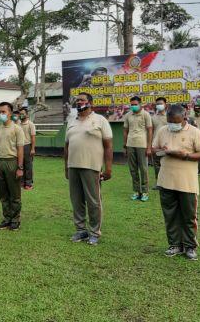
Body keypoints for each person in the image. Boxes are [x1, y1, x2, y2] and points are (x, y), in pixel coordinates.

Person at [152, 104, 200, 261]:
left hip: (187, 183)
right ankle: (174, 245)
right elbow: (153, 150)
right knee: (170, 215)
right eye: (170, 121)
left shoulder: (195, 132)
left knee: (189, 216)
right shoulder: (163, 130)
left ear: (184, 117)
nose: (172, 124)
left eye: (175, 121)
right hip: (166, 181)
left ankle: (190, 246)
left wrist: (186, 156)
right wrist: (163, 151)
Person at [64, 92, 113, 245]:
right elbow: (67, 146)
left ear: (90, 103)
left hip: (92, 167)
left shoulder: (100, 120)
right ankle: (81, 231)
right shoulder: (71, 120)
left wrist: (108, 168)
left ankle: (94, 232)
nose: (79, 102)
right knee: (76, 200)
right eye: (77, 100)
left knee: (93, 201)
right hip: (73, 166)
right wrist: (66, 167)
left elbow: (108, 146)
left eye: (82, 100)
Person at [0, 102, 25, 231]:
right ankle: (7, 219)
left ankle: (15, 220)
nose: (1, 114)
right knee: (3, 193)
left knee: (14, 193)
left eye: (3, 112)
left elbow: (20, 149)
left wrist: (20, 168)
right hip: (0, 162)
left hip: (12, 162)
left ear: (10, 113)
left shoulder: (17, 129)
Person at [123, 96, 152, 201]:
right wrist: (125, 146)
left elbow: (150, 130)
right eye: (132, 105)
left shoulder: (146, 114)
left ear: (140, 104)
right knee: (133, 169)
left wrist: (149, 147)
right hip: (130, 144)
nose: (133, 106)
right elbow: (125, 131)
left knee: (143, 169)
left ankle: (144, 192)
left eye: (135, 104)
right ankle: (136, 191)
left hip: (142, 145)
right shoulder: (128, 115)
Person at [151, 97, 168, 185]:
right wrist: (150, 145)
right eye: (157, 104)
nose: (159, 105)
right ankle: (158, 183)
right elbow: (151, 131)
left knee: (167, 164)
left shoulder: (170, 117)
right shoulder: (153, 118)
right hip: (156, 146)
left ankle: (168, 183)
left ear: (165, 105)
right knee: (157, 164)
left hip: (167, 145)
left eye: (161, 104)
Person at [19, 107, 36, 190]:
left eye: (23, 113)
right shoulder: (18, 124)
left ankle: (28, 183)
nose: (21, 115)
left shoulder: (30, 124)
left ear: (27, 114)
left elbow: (33, 137)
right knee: (20, 165)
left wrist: (32, 149)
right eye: (20, 114)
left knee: (28, 165)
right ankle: (22, 183)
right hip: (19, 147)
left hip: (27, 146)